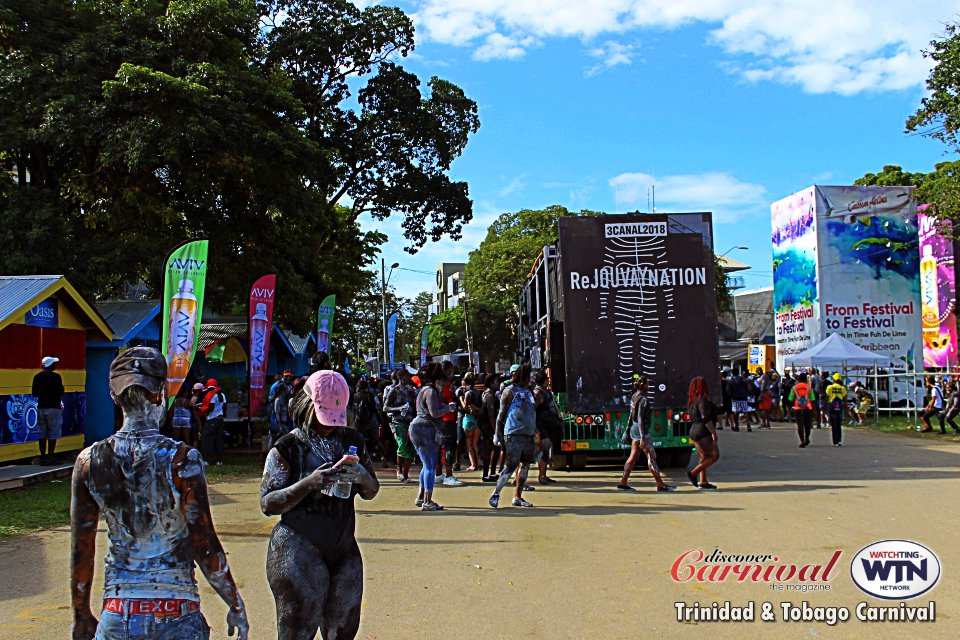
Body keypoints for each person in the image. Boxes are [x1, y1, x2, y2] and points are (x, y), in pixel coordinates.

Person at [70, 346, 248, 640]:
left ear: (114, 397)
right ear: (161, 392)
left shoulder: (89, 462)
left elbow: (82, 546)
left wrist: (81, 614)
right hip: (175, 611)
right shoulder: (182, 460)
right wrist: (234, 601)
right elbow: (203, 542)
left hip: (118, 612)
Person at [260, 369, 379, 640]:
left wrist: (362, 477)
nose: (328, 426)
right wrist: (309, 483)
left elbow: (371, 491)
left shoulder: (352, 442)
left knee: (344, 628)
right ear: (306, 407)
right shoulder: (286, 447)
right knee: (297, 631)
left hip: (343, 548)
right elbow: (267, 503)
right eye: (323, 418)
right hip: (297, 547)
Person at [409, 361, 456, 510]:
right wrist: (448, 408)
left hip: (417, 428)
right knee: (430, 465)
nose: (444, 384)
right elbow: (434, 413)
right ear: (436, 380)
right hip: (426, 429)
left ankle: (421, 497)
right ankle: (427, 501)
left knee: (426, 465)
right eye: (442, 381)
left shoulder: (423, 390)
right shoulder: (431, 391)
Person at [489, 363, 537, 508]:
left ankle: (518, 497)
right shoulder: (510, 391)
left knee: (525, 465)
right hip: (513, 433)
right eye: (528, 376)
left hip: (528, 433)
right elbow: (500, 414)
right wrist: (497, 435)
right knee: (510, 465)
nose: (530, 379)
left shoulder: (529, 391)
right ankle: (496, 493)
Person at [617, 375, 676, 492]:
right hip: (641, 431)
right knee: (651, 457)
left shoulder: (634, 397)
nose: (648, 386)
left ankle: (623, 482)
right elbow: (639, 418)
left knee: (633, 456)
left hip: (634, 430)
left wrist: (628, 430)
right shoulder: (643, 400)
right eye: (647, 384)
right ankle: (660, 484)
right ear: (643, 385)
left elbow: (631, 416)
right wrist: (643, 437)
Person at [686, 376, 720, 490]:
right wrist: (713, 433)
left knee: (704, 457)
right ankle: (693, 473)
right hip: (703, 431)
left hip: (694, 430)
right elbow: (706, 417)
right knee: (714, 456)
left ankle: (703, 481)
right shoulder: (702, 399)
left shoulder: (692, 399)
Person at [384, 369, 417, 483]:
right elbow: (385, 408)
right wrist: (398, 409)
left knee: (411, 449)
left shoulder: (411, 390)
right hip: (398, 422)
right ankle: (400, 470)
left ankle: (406, 475)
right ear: (401, 377)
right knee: (402, 446)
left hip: (410, 422)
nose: (409, 378)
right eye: (407, 376)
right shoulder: (394, 391)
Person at [32, 355, 64, 463]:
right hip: (53, 407)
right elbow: (60, 391)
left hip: (41, 407)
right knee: (53, 432)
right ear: (51, 365)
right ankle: (51, 457)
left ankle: (43, 457)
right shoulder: (56, 377)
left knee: (42, 432)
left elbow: (34, 393)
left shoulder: (37, 377)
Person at [437, 361, 464, 486]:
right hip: (446, 419)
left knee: (440, 447)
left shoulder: (440, 383)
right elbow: (442, 399)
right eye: (450, 370)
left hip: (442, 419)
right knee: (449, 447)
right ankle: (448, 475)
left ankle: (438, 474)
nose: (451, 372)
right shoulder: (443, 384)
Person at [532, 371, 559, 485]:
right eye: (547, 379)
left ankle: (543, 475)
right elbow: (533, 409)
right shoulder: (538, 393)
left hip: (548, 426)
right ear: (544, 381)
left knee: (546, 449)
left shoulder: (545, 391)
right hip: (541, 426)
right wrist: (535, 429)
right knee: (544, 449)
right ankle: (541, 475)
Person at [480, 373, 502, 482]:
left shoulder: (490, 393)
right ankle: (486, 474)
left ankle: (492, 472)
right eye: (497, 381)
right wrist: (495, 430)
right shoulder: (490, 395)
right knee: (489, 449)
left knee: (496, 449)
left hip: (489, 424)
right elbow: (490, 414)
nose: (499, 383)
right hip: (488, 425)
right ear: (491, 383)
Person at [199, 379, 226, 465]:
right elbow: (225, 407)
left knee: (208, 440)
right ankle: (219, 460)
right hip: (220, 419)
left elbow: (211, 407)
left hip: (212, 419)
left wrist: (203, 409)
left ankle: (207, 460)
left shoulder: (211, 395)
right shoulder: (222, 394)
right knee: (219, 440)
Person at [459, 372, 483, 472]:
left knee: (469, 445)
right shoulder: (478, 392)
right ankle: (479, 462)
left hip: (468, 418)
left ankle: (473, 464)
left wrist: (461, 398)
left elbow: (465, 406)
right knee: (475, 444)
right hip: (477, 419)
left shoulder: (468, 393)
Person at [789, 372, 816, 448]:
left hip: (798, 408)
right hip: (807, 408)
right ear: (805, 379)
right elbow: (813, 399)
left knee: (800, 425)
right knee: (807, 425)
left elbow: (790, 399)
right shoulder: (809, 387)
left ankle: (802, 440)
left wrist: (791, 408)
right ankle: (807, 438)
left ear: (799, 379)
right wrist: (813, 410)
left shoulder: (794, 387)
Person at [825, 373, 847, 446]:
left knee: (833, 424)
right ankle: (839, 440)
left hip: (831, 407)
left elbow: (827, 398)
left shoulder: (830, 387)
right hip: (840, 407)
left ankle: (835, 442)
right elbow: (844, 400)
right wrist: (846, 409)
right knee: (838, 424)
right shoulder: (842, 388)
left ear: (834, 379)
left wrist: (824, 407)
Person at [728, 368, 749, 432]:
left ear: (732, 373)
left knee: (736, 412)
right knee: (745, 411)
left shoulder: (731, 380)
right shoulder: (743, 379)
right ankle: (748, 424)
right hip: (743, 397)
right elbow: (746, 387)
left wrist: (730, 396)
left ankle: (737, 426)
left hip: (735, 398)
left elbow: (729, 389)